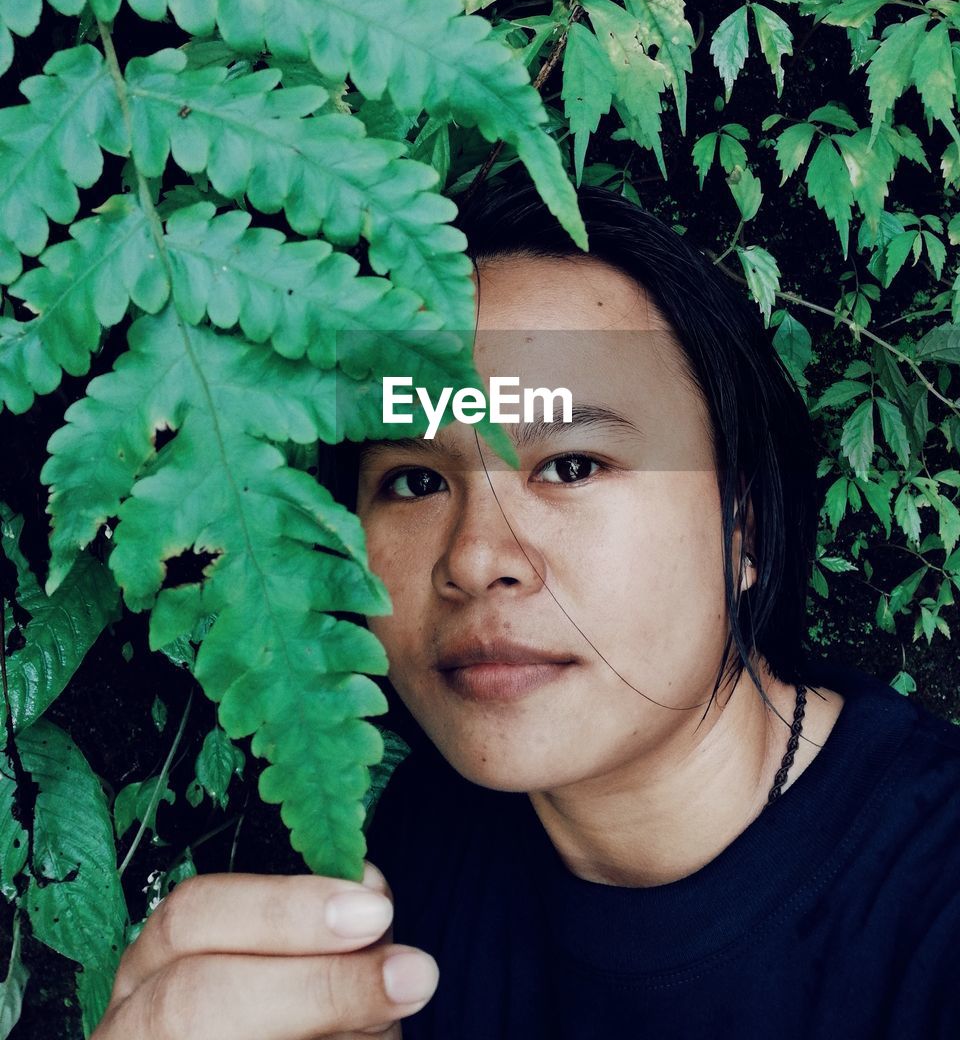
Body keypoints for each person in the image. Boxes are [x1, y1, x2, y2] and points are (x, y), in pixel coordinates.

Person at [92, 182, 960, 1040]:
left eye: (572, 465)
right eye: (417, 481)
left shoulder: (931, 911)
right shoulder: (418, 850)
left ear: (746, 527)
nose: (473, 558)